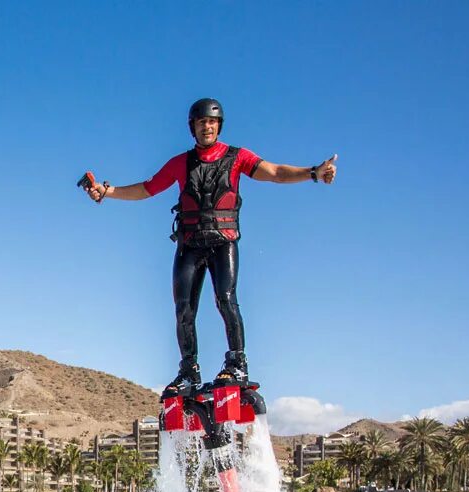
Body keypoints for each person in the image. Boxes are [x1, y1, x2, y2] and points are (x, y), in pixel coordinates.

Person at [82, 98, 337, 394]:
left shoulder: (237, 157)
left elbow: (275, 172)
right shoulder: (181, 163)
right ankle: (189, 371)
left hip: (223, 242)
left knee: (226, 299)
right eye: (202, 122)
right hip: (190, 244)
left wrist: (313, 172)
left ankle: (237, 363)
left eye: (212, 122)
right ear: (193, 127)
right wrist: (106, 191)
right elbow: (146, 189)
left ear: (219, 126)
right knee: (183, 309)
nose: (207, 126)